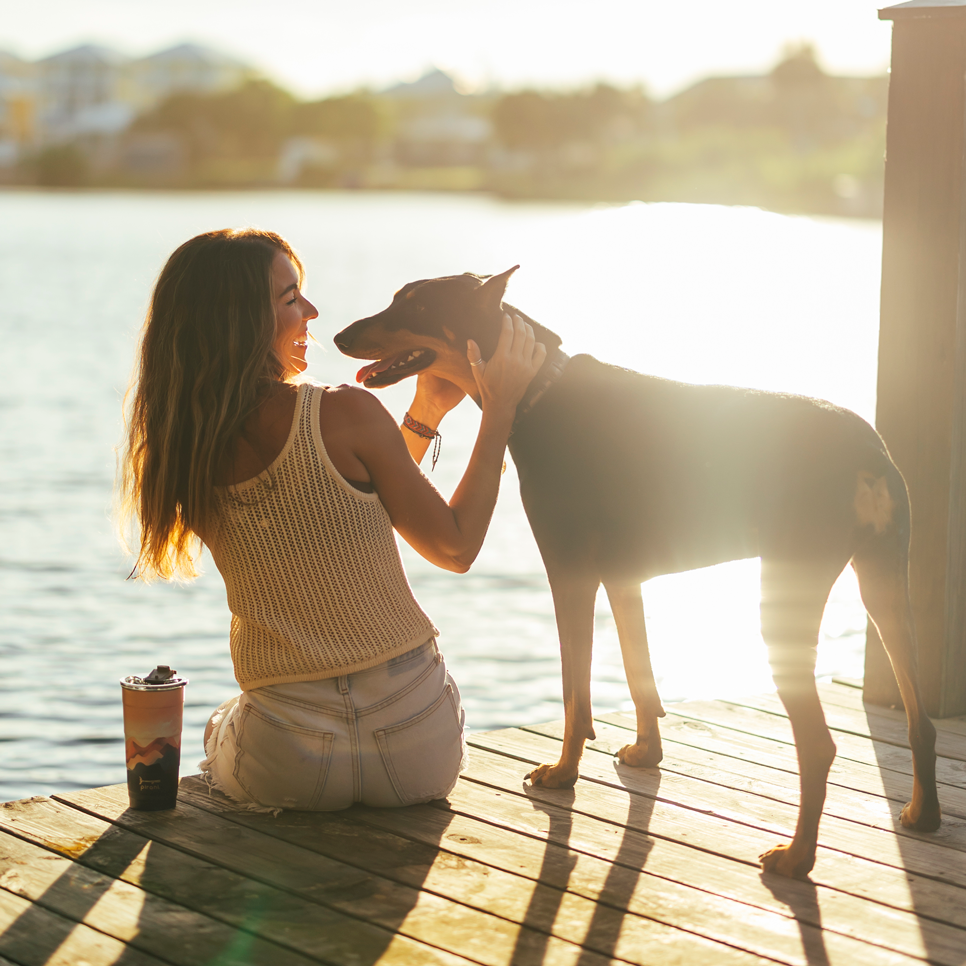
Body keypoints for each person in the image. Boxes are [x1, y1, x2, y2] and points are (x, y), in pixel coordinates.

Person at [118, 228, 545, 811]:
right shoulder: (346, 412)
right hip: (417, 743)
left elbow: (326, 505)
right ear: (240, 320)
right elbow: (454, 547)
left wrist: (423, 413)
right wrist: (500, 409)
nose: (312, 311)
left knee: (221, 722)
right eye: (291, 298)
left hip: (289, 758)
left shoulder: (181, 451)